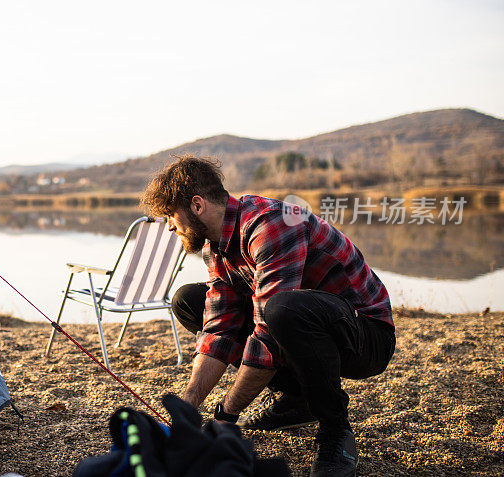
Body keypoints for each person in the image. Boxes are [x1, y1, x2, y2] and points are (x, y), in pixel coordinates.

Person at [140, 155, 396, 477]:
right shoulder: (215, 245)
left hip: (366, 336)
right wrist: (188, 406)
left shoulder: (271, 224)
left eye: (170, 215)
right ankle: (297, 399)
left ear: (196, 205)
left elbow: (267, 336)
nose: (169, 225)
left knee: (283, 310)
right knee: (190, 301)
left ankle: (336, 431)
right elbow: (220, 329)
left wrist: (224, 415)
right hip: (303, 327)